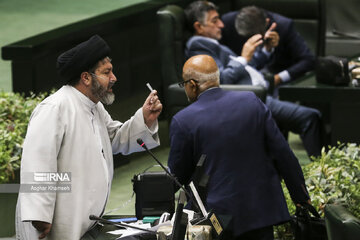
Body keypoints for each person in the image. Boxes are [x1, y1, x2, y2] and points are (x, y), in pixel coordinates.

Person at [15, 35, 162, 239]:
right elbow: (38, 163)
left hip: (88, 225)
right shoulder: (55, 108)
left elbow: (115, 138)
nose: (114, 78)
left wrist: (144, 119)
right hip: (54, 228)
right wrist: (40, 217)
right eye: (106, 72)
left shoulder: (95, 106)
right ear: (86, 78)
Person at [168, 54, 311, 240]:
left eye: (184, 84)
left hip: (218, 219)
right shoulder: (251, 102)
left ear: (192, 85)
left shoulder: (183, 121)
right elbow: (282, 153)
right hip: (260, 211)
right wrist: (300, 196)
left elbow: (177, 177)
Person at [184, 1, 322, 157]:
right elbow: (218, 80)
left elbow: (248, 67)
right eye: (215, 21)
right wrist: (243, 57)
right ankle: (322, 172)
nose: (221, 25)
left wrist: (266, 49)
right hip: (252, 97)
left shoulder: (212, 44)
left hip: (261, 91)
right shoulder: (199, 46)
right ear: (199, 27)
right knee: (311, 117)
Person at [221, 6, 315, 88]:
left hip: (274, 80)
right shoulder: (226, 23)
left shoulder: (283, 26)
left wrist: (278, 78)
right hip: (238, 80)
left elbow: (308, 60)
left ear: (267, 23)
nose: (250, 41)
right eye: (246, 37)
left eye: (255, 36)